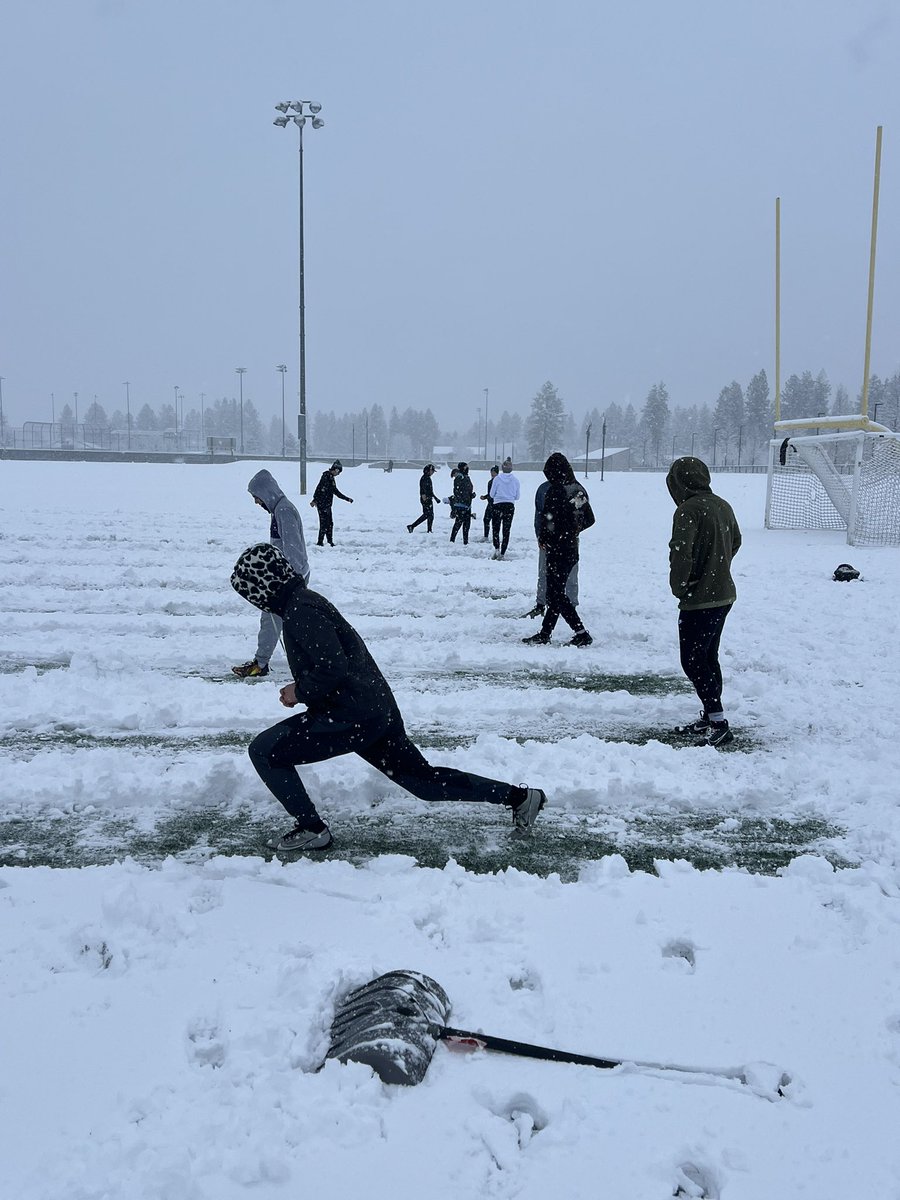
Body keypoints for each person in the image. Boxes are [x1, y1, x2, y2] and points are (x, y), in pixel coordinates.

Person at [230, 543, 547, 851]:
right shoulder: (303, 603)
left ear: (261, 587)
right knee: (425, 783)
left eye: (249, 593)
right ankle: (520, 798)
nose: (252, 601)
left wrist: (299, 691)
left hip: (348, 716)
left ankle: (312, 828)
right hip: (372, 710)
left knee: (265, 751)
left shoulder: (301, 610)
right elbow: (334, 662)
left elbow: (333, 666)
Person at [666, 456, 741, 747]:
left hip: (700, 600)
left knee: (693, 660)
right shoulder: (722, 505)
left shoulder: (687, 510)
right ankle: (712, 716)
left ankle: (719, 722)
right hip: (723, 595)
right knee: (708, 656)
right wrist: (717, 569)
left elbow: (680, 553)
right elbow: (735, 541)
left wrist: (681, 586)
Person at [232, 469, 310, 679]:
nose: (257, 503)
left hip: (290, 579)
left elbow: (293, 549)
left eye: (256, 497)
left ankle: (262, 663)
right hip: (287, 578)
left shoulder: (284, 511)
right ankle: (266, 661)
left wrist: (290, 581)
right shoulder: (280, 510)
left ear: (266, 493)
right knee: (279, 620)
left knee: (274, 620)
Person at [523, 452, 593, 648]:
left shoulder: (556, 490)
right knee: (556, 593)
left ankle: (581, 632)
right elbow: (589, 519)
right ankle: (546, 633)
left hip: (556, 549)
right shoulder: (578, 489)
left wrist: (550, 537)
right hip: (570, 548)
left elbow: (548, 520)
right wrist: (572, 531)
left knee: (555, 594)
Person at [524, 475, 579, 619]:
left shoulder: (573, 488)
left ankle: (568, 606)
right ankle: (544, 604)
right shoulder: (545, 489)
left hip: (563, 541)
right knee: (547, 573)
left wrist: (570, 532)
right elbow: (539, 514)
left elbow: (583, 515)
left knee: (566, 575)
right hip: (554, 540)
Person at [311, 460, 353, 546]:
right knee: (324, 524)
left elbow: (332, 491)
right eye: (339, 472)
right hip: (323, 504)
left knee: (329, 523)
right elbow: (320, 489)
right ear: (336, 470)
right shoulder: (326, 477)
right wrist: (315, 500)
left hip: (326, 504)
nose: (338, 474)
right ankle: (321, 542)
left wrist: (346, 499)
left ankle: (329, 541)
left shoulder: (329, 477)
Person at [489, 457, 520, 560]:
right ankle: (503, 552)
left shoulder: (497, 479)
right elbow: (517, 497)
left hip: (497, 504)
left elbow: (492, 494)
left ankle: (497, 548)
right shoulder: (515, 480)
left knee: (495, 528)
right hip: (509, 505)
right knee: (506, 530)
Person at [407, 463, 440, 533]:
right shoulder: (425, 478)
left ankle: (428, 529)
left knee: (429, 515)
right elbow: (424, 489)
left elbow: (430, 491)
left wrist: (435, 498)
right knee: (428, 514)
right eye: (432, 471)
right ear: (428, 470)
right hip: (426, 499)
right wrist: (425, 496)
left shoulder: (427, 478)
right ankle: (413, 526)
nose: (433, 473)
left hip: (428, 498)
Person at [449, 461, 475, 545]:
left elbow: (467, 490)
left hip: (467, 505)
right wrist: (466, 498)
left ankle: (465, 542)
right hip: (461, 505)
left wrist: (471, 495)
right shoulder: (460, 477)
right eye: (466, 467)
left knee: (466, 525)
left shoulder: (466, 477)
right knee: (458, 523)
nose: (467, 468)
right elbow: (457, 492)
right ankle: (452, 541)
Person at [481, 465, 499, 540]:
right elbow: (490, 493)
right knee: (486, 519)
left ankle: (495, 536)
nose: (492, 474)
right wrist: (485, 497)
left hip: (496, 504)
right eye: (491, 472)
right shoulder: (490, 482)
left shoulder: (498, 482)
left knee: (495, 522)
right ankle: (486, 536)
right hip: (490, 504)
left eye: (494, 472)